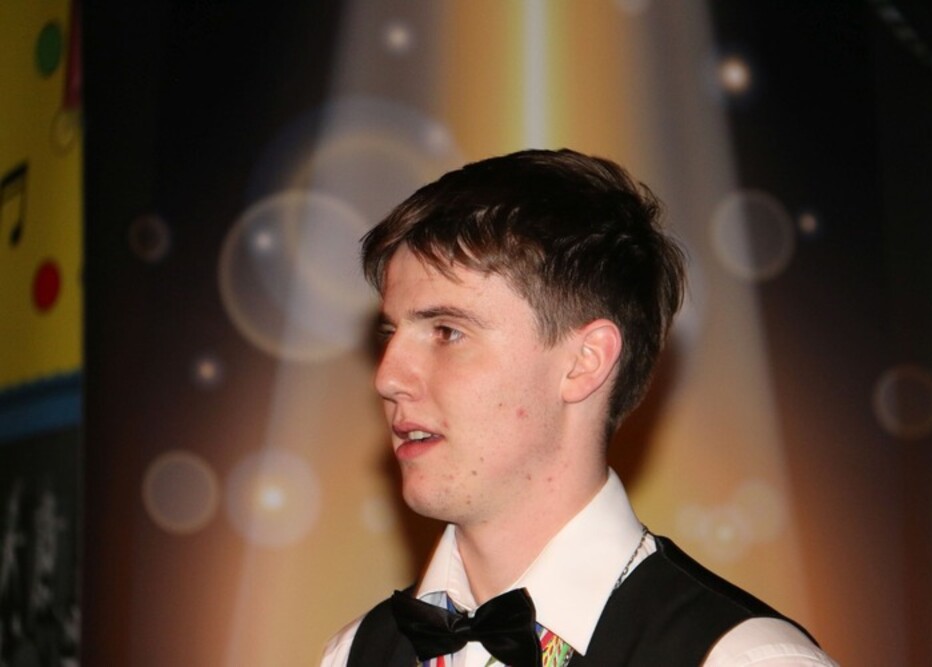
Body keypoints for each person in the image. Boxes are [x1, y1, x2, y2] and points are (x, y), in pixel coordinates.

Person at [321, 149, 837, 667]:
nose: (387, 377)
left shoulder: (747, 659)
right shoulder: (353, 653)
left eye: (447, 332)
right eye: (389, 333)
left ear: (584, 362)